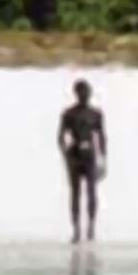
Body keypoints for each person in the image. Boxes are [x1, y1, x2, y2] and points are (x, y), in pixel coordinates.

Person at [58, 80, 108, 244]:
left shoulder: (96, 114)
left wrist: (103, 159)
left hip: (90, 156)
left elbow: (101, 137)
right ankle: (76, 229)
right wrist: (66, 155)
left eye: (87, 92)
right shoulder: (69, 114)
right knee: (75, 193)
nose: (85, 95)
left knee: (92, 193)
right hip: (75, 154)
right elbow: (60, 137)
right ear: (76, 94)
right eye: (82, 92)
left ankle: (91, 227)